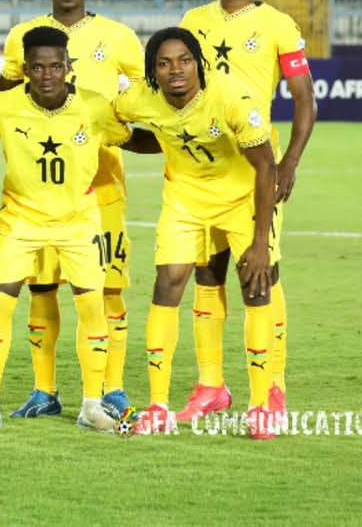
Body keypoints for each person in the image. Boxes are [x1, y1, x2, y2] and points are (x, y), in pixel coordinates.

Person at [0, 27, 158, 434]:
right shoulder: (2, 107)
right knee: (0, 306)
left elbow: (130, 140)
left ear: (68, 66)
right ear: (26, 69)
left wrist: (181, 137)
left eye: (55, 66)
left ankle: (92, 406)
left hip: (78, 223)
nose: (47, 74)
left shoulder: (94, 107)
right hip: (19, 221)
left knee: (92, 307)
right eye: (38, 67)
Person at [0, 0, 144, 420]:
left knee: (107, 290)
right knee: (41, 288)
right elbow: (6, 90)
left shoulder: (118, 36)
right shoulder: (24, 36)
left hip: (100, 186)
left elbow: (145, 94)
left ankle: (111, 388)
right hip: (37, 191)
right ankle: (44, 390)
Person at [178, 0, 316, 424]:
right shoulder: (192, 22)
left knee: (262, 273)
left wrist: (289, 162)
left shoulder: (278, 24)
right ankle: (211, 385)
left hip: (255, 171)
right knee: (207, 273)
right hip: (200, 171)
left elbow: (305, 100)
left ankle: (272, 389)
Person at [114, 28, 278, 439]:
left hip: (241, 199)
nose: (176, 70)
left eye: (185, 60)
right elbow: (116, 124)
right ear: (152, 72)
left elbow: (265, 165)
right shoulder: (137, 99)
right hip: (185, 202)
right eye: (164, 63)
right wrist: (134, 139)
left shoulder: (229, 97)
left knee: (256, 286)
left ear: (199, 63)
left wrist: (260, 242)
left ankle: (261, 405)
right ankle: (157, 406)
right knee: (167, 285)